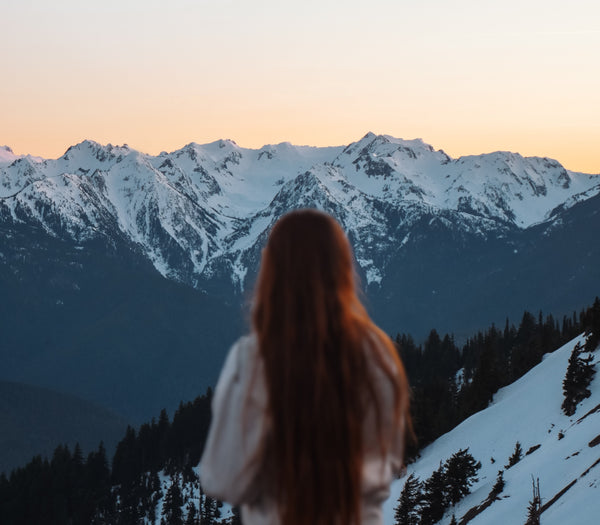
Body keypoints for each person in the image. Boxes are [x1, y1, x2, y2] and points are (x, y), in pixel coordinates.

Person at [200, 209, 412, 525]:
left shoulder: (254, 359)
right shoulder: (378, 355)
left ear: (273, 272)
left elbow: (223, 478)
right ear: (343, 269)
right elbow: (385, 464)